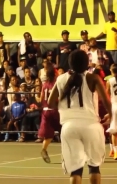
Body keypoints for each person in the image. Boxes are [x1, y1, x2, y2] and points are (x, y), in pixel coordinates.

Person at [48, 49, 112, 184]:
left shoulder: (61, 79)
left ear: (70, 63)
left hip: (69, 127)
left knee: (76, 170)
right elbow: (106, 101)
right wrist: (111, 116)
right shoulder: (93, 77)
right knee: (94, 167)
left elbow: (50, 102)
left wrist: (64, 106)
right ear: (87, 63)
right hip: (91, 125)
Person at [38, 62, 61, 163]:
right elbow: (59, 98)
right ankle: (67, 153)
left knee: (49, 135)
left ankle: (44, 149)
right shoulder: (57, 83)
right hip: (54, 111)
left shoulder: (45, 84)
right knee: (63, 131)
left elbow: (41, 99)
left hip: (45, 111)